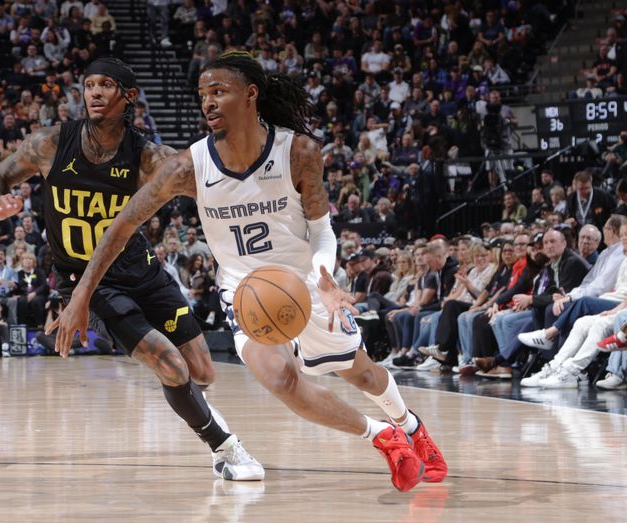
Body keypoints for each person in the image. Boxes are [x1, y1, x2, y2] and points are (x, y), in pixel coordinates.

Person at [52, 52, 447, 492]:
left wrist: (327, 279)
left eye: (219, 92)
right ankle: (384, 437)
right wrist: (80, 297)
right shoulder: (189, 166)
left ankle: (410, 425)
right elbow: (119, 228)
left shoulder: (298, 151)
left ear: (251, 94)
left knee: (363, 374)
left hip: (305, 280)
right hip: (244, 287)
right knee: (280, 378)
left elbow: (322, 232)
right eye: (203, 95)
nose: (209, 103)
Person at [0, 57, 262, 481]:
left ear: (129, 96)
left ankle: (193, 409)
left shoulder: (148, 156)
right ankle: (228, 449)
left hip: (142, 269)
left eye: (106, 85)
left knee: (201, 372)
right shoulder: (53, 143)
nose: (94, 92)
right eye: (89, 85)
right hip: (87, 282)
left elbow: (207, 182)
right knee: (170, 365)